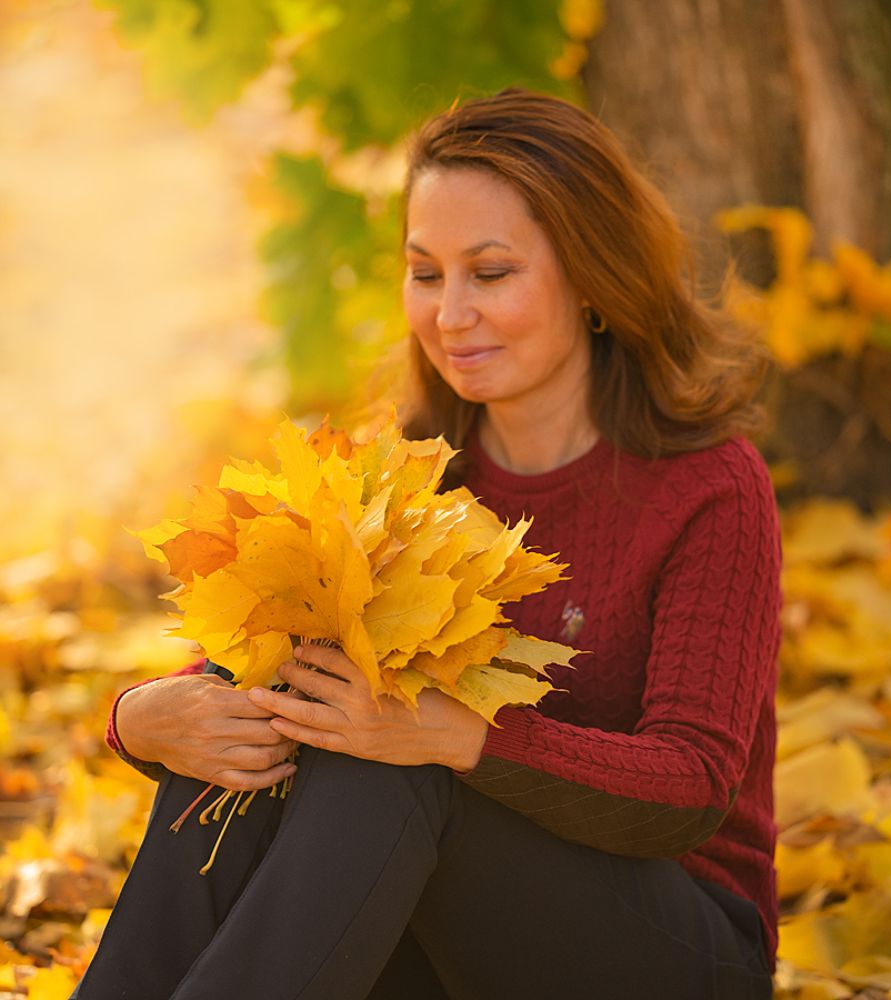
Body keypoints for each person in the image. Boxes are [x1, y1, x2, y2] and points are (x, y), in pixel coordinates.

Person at [75, 88, 780, 1000]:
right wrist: (143, 718)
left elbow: (691, 787)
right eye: (425, 272)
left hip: (671, 948)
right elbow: (250, 671)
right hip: (437, 927)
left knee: (395, 762)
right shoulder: (403, 470)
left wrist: (464, 739)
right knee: (261, 730)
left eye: (491, 274)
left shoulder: (706, 486)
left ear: (596, 274)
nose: (449, 316)